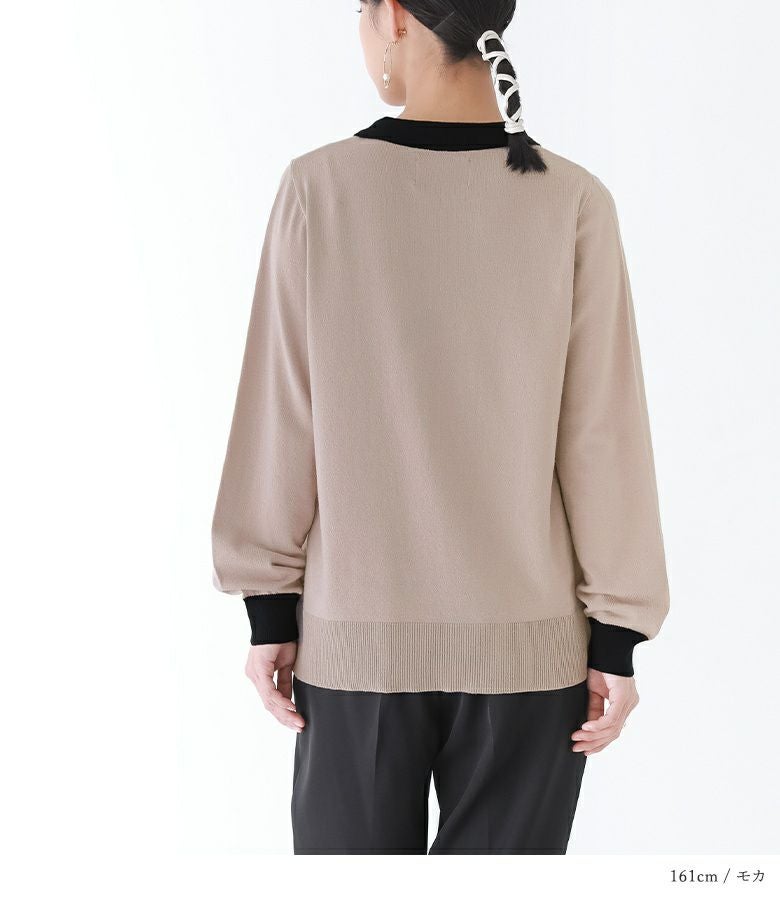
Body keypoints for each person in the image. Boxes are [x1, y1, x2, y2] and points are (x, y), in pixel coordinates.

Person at [210, 0, 670, 855]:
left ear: (392, 17)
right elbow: (602, 434)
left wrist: (270, 613)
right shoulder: (572, 199)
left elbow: (281, 411)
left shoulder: (319, 188)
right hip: (531, 655)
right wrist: (617, 637)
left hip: (356, 648)